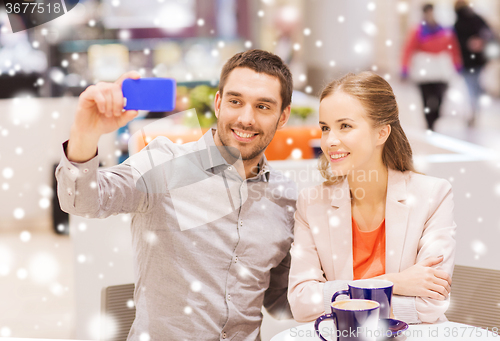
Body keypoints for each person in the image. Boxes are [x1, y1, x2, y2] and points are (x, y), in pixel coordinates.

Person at [56, 49, 297, 340]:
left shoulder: (285, 198)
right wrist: (85, 132)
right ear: (219, 103)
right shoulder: (163, 165)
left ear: (283, 116)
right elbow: (80, 200)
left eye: (263, 107)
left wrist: (343, 286)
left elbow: (281, 301)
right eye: (236, 101)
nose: (246, 119)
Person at [288, 72, 456, 324]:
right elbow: (302, 303)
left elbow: (430, 304)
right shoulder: (311, 203)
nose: (330, 141)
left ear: (381, 133)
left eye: (345, 126)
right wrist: (393, 283)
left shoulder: (433, 195)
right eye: (325, 128)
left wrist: (341, 298)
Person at [401, 3, 463, 131]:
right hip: (424, 69)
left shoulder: (445, 30)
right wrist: (404, 68)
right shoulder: (418, 31)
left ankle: (435, 118)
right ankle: (429, 122)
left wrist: (457, 63)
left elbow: (453, 47)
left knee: (440, 96)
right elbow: (408, 49)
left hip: (440, 70)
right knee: (426, 97)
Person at [454, 0, 493, 127]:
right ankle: (474, 109)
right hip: (474, 61)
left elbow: (489, 34)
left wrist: (479, 42)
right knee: (473, 86)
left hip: (471, 61)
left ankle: (473, 110)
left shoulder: (460, 23)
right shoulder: (474, 19)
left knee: (472, 86)